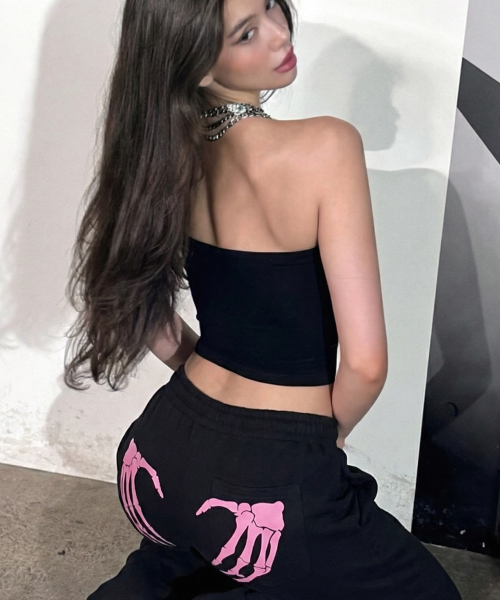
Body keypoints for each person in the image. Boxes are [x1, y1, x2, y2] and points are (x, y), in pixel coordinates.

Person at [64, 0, 463, 598]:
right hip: (264, 483)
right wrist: (314, 443)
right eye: (248, 32)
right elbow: (366, 366)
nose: (280, 34)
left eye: (272, 6)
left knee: (202, 566)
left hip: (158, 452)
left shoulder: (163, 151)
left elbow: (138, 308)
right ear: (199, 63)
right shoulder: (327, 145)